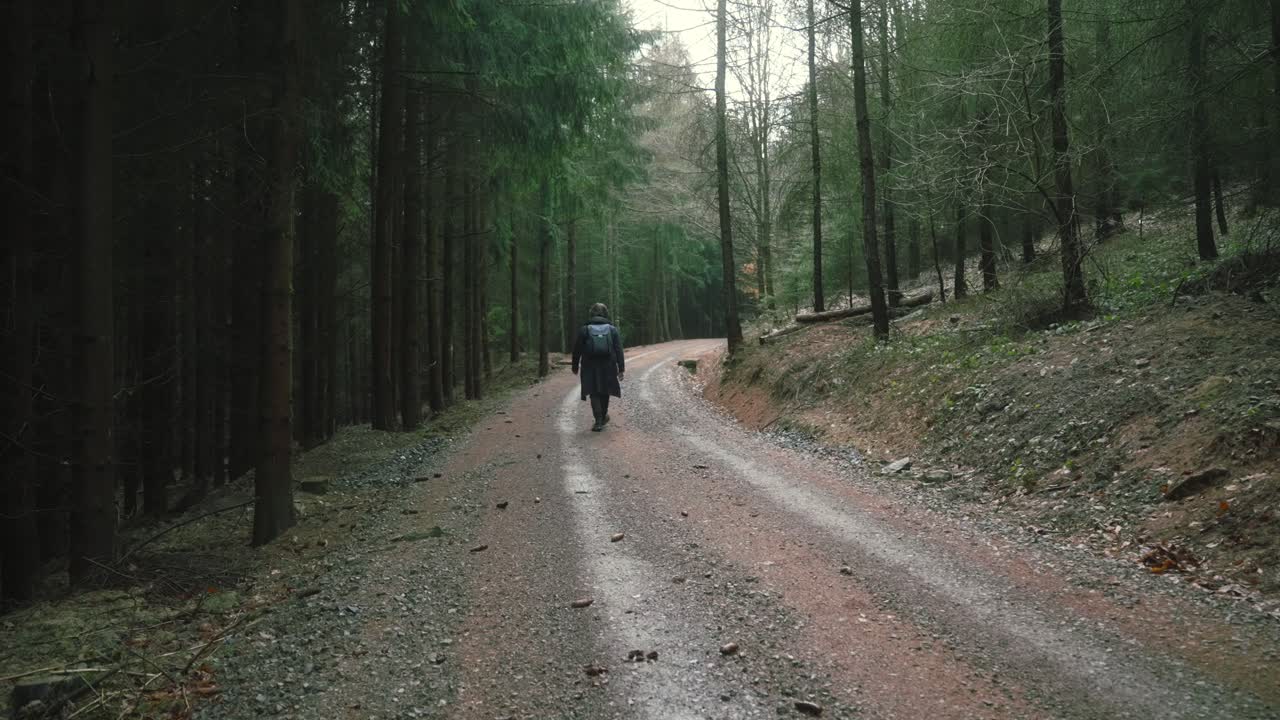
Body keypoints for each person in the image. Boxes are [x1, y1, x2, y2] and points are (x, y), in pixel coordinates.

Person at [571, 303, 625, 432]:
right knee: (605, 391)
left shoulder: (585, 329)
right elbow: (619, 350)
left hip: (589, 365)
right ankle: (603, 416)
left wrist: (575, 366)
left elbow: (577, 349)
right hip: (609, 364)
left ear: (592, 313)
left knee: (593, 391)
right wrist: (621, 368)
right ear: (605, 313)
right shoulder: (612, 329)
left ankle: (598, 420)